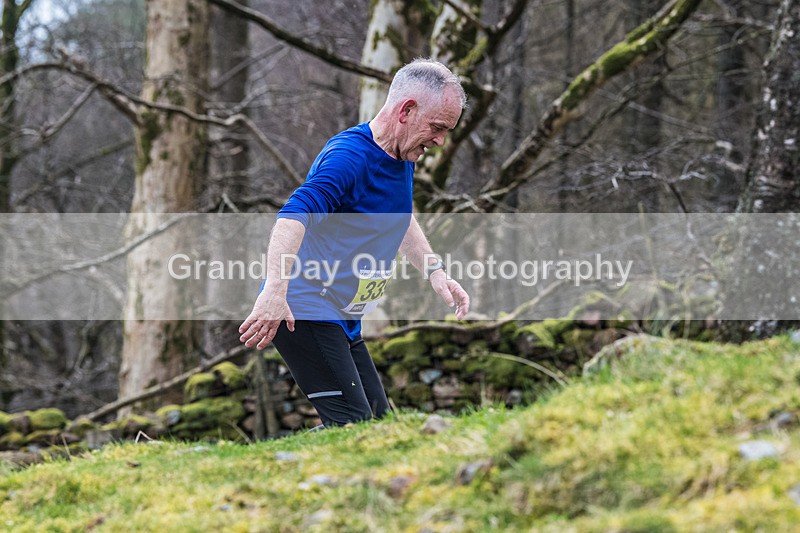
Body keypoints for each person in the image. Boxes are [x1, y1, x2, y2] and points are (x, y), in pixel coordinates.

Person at [238, 58, 470, 428]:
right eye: (438, 127)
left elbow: (399, 216)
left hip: (343, 316)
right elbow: (292, 215)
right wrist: (274, 291)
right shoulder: (349, 158)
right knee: (354, 428)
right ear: (406, 111)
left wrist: (435, 271)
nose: (440, 141)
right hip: (303, 308)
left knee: (377, 427)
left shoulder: (401, 153)